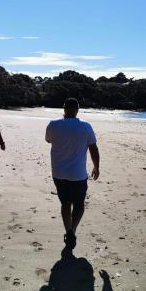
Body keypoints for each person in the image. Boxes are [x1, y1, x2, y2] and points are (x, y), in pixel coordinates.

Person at [45, 98, 100, 249]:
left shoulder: (53, 124)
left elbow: (48, 140)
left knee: (65, 203)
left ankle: (68, 230)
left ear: (64, 108)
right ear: (78, 109)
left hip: (58, 172)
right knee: (79, 205)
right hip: (78, 174)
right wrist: (96, 167)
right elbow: (93, 148)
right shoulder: (85, 126)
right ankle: (72, 230)